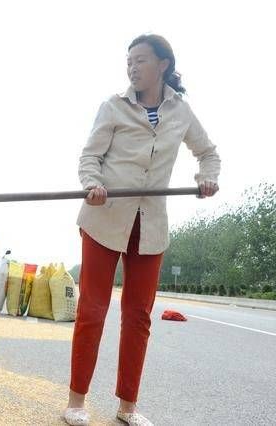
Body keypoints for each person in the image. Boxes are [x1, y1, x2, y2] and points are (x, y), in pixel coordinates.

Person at [63, 34, 221, 426]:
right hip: (105, 219)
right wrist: (91, 184)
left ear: (163, 64)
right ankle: (76, 402)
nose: (132, 67)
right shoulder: (112, 107)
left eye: (141, 60)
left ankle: (127, 407)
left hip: (150, 225)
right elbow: (90, 156)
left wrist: (207, 178)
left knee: (138, 315)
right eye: (129, 61)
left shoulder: (181, 112)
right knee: (93, 310)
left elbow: (208, 152)